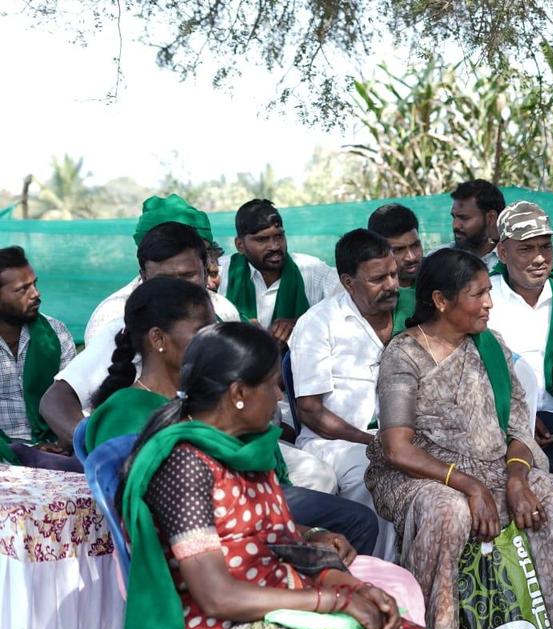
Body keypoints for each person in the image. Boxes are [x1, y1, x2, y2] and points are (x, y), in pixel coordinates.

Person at [120, 321, 460, 629]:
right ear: (238, 392)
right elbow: (216, 595)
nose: (281, 399)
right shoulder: (184, 464)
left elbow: (276, 537)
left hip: (279, 607)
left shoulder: (245, 451)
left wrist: (342, 577)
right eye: (274, 386)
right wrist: (330, 602)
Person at [363, 248, 553, 629]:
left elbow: (519, 425)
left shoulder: (490, 344)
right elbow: (396, 446)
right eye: (478, 293)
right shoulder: (404, 354)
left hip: (498, 465)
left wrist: (517, 480)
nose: (489, 302)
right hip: (421, 472)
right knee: (449, 512)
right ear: (441, 300)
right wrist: (467, 484)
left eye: (488, 291)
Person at [86, 276, 383, 556]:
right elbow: (158, 511)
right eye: (201, 331)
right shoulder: (126, 411)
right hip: (209, 539)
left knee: (351, 524)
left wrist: (303, 532)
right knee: (354, 521)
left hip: (244, 508)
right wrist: (294, 532)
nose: (213, 339)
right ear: (159, 339)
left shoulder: (195, 397)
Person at [290, 229, 405, 557]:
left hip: (400, 436)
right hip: (336, 443)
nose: (392, 285)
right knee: (375, 473)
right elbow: (310, 410)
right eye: (378, 278)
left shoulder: (412, 312)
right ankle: (380, 574)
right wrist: (372, 441)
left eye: (394, 273)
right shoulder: (318, 323)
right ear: (347, 282)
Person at [486, 200, 553, 503]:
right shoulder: (485, 299)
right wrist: (517, 421)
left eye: (545, 247)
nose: (539, 258)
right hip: (498, 420)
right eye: (525, 249)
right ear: (503, 253)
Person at [84, 195, 240, 344]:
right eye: (171, 249)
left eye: (202, 252)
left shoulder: (224, 310)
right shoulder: (111, 316)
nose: (178, 285)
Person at [216, 198, 340, 345]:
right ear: (240, 245)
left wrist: (302, 324)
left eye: (279, 236)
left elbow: (351, 306)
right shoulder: (220, 272)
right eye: (262, 240)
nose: (274, 246)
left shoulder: (312, 271)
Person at [0, 246, 77, 469]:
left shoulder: (55, 333)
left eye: (34, 283)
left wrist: (64, 436)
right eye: (22, 289)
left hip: (53, 452)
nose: (35, 294)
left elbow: (74, 398)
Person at [367, 202, 424, 323]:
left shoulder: (438, 277)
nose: (411, 257)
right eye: (398, 250)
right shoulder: (364, 291)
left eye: (415, 245)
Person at [448, 180, 504, 269]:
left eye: (464, 218)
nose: (456, 225)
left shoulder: (513, 260)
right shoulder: (439, 259)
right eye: (454, 217)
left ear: (491, 218)